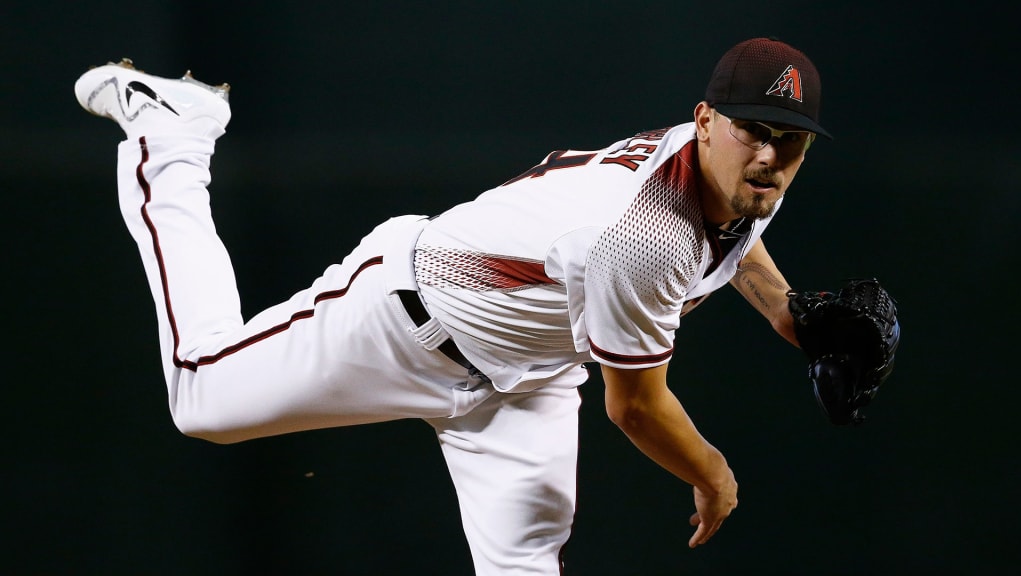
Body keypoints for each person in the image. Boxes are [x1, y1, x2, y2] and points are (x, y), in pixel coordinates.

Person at [75, 37, 830, 575]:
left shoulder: (738, 176)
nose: (768, 156)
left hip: (527, 378)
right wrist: (712, 473)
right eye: (753, 133)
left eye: (789, 141)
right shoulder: (646, 236)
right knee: (201, 399)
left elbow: (733, 233)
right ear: (704, 123)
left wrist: (786, 312)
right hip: (403, 320)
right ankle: (171, 136)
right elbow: (635, 409)